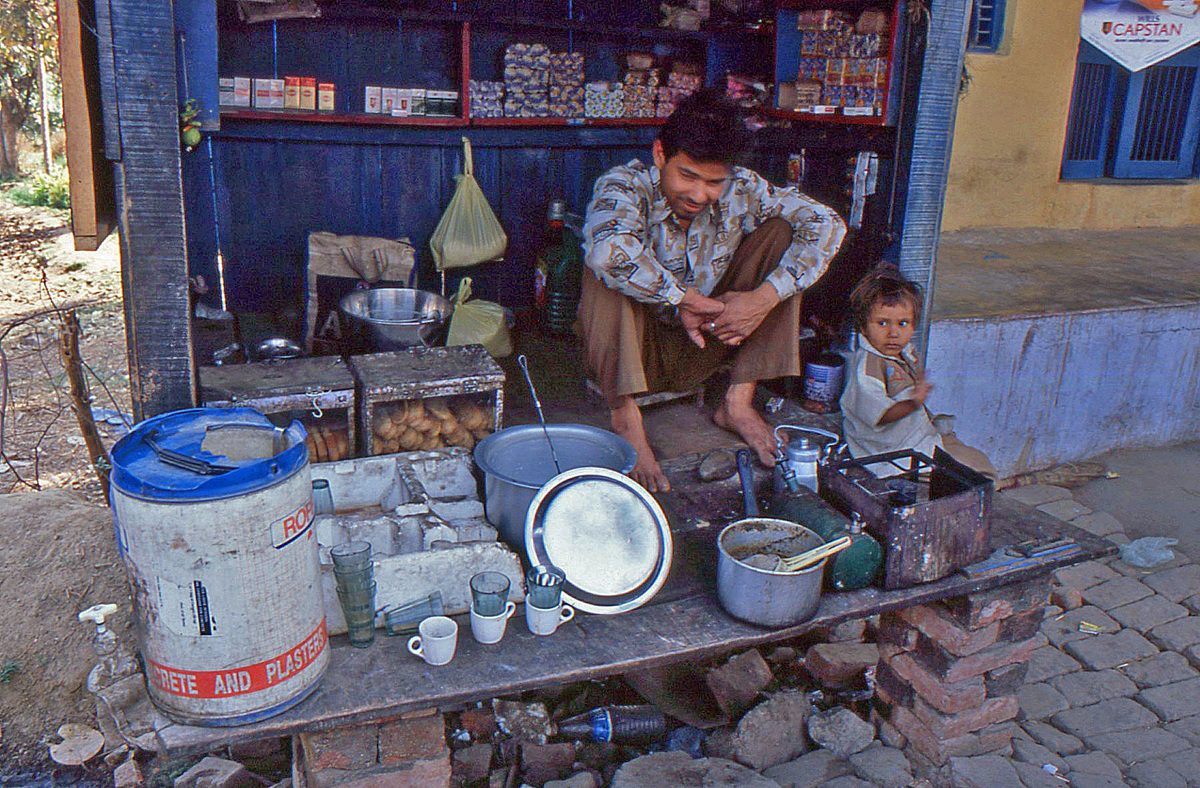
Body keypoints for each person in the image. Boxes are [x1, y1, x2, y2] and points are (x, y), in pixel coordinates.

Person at [578, 90, 847, 492]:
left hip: (711, 342)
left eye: (713, 182)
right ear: (659, 154)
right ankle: (625, 418)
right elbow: (607, 251)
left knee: (784, 234)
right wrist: (682, 299)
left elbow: (827, 224)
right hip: (633, 353)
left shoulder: (743, 189)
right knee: (603, 265)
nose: (699, 194)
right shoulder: (624, 184)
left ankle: (737, 404)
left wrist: (761, 300)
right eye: (687, 176)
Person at [839, 264, 997, 479]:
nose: (893, 333)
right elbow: (881, 415)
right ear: (863, 327)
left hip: (917, 436)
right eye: (882, 323)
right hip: (891, 455)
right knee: (979, 477)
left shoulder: (903, 351)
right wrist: (914, 402)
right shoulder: (867, 368)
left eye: (903, 323)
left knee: (980, 463)